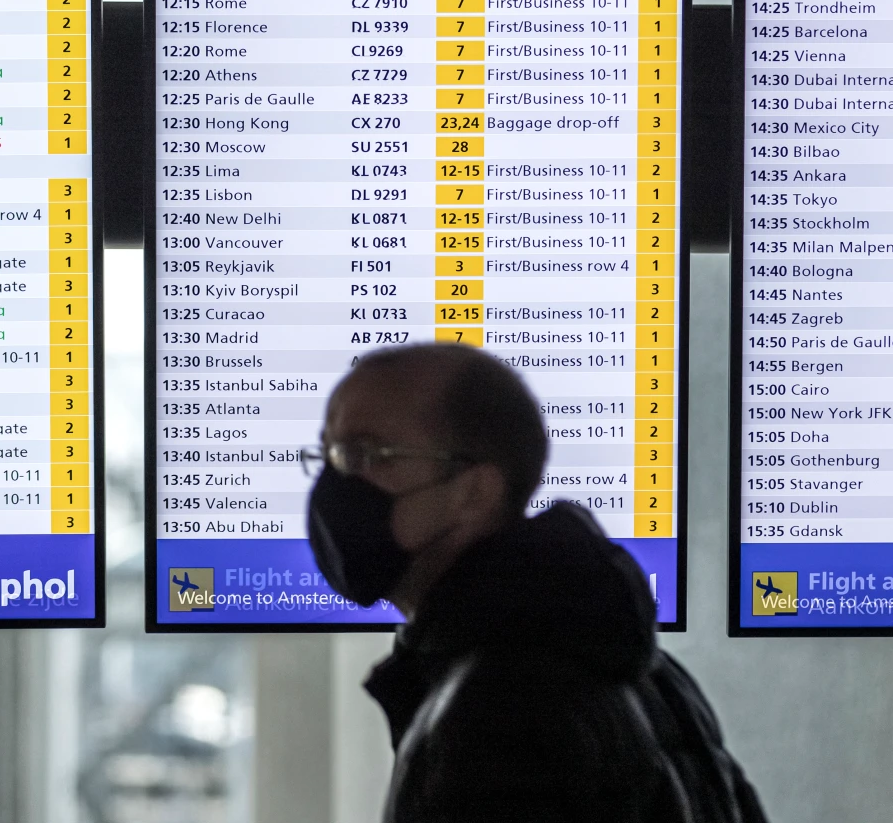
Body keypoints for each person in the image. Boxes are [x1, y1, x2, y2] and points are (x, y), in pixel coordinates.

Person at [304, 342, 765, 824]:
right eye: (328, 452)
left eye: (363, 455)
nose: (334, 485)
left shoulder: (497, 713)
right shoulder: (645, 670)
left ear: (474, 492)